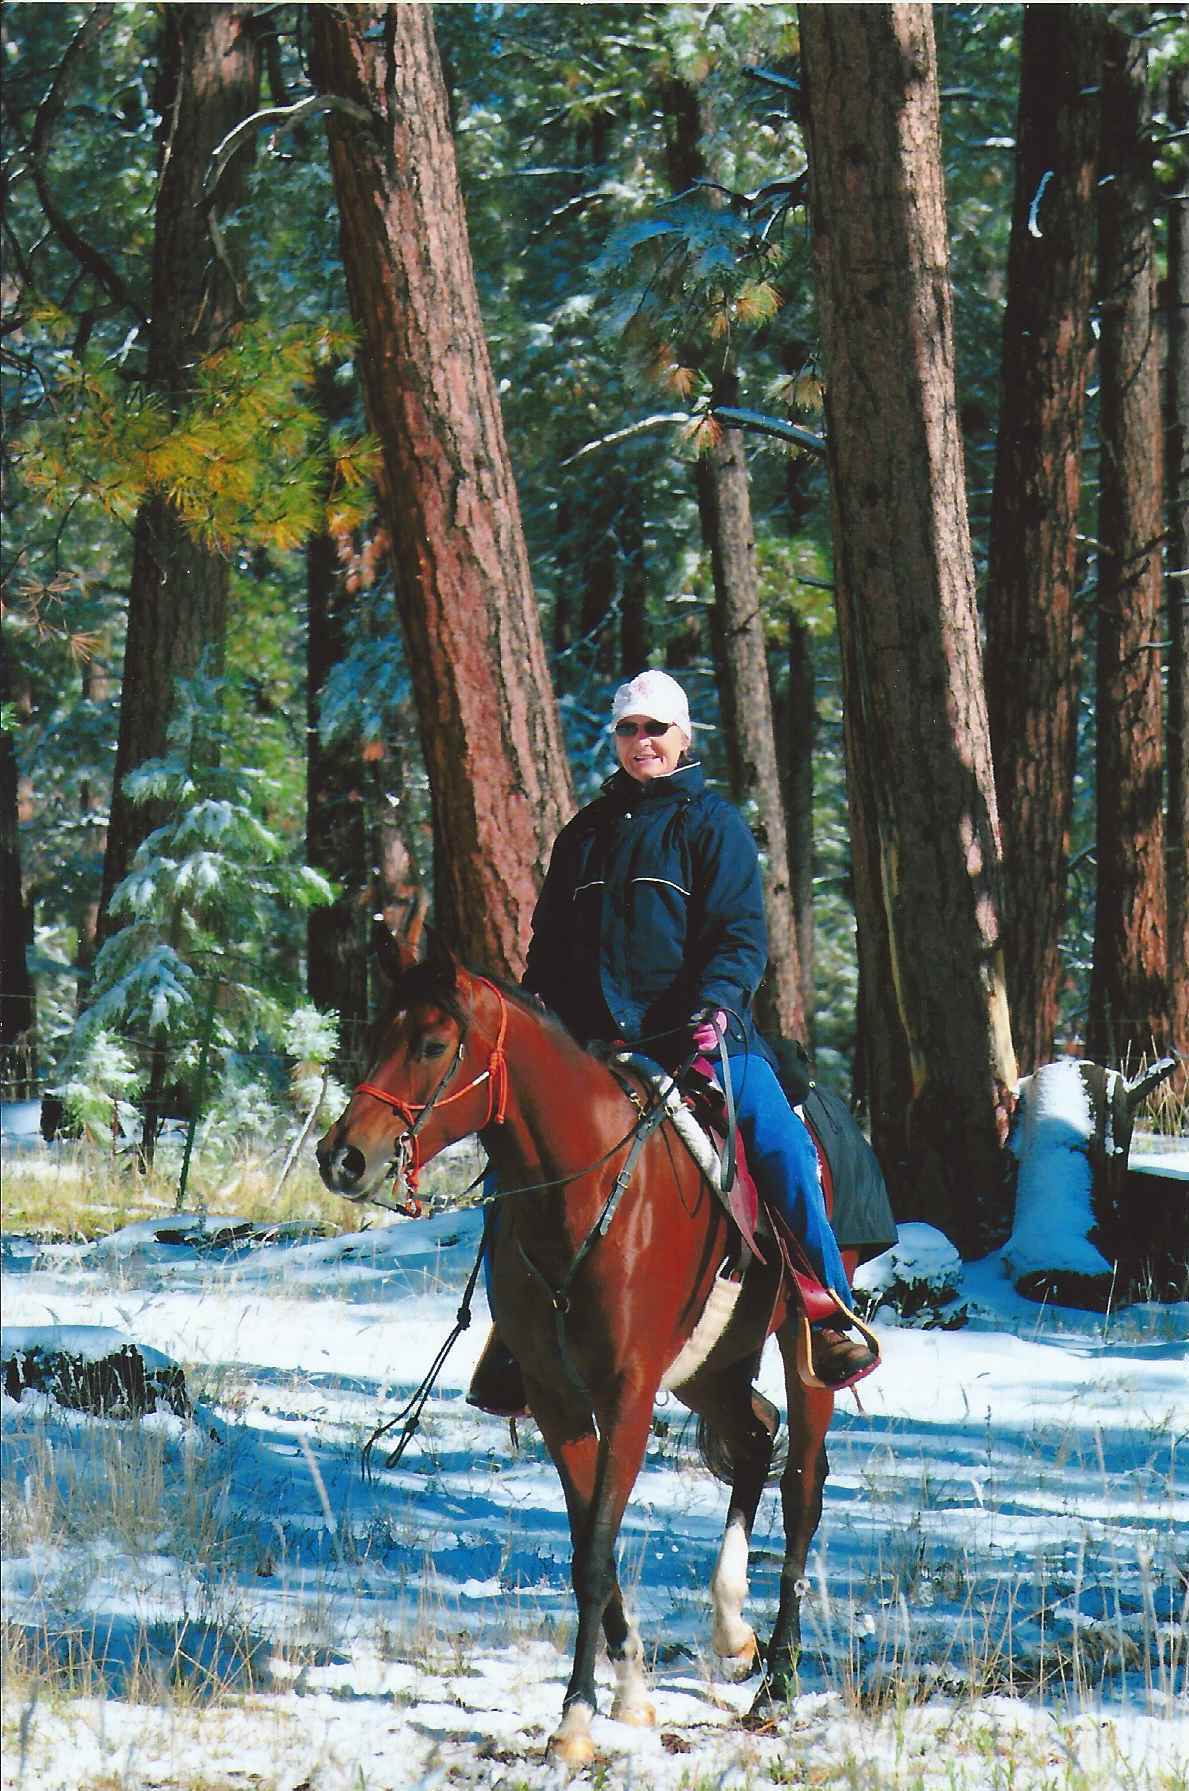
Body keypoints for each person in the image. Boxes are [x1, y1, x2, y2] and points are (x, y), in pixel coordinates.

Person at [468, 668, 878, 1413]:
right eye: (628, 728)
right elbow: (549, 947)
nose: (641, 742)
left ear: (683, 737)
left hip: (701, 1039)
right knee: (515, 1161)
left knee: (779, 1145)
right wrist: (544, 1025)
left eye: (655, 729)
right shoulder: (583, 835)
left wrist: (714, 1007)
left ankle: (825, 1309)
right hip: (594, 1048)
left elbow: (739, 936)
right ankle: (514, 1333)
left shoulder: (712, 825)